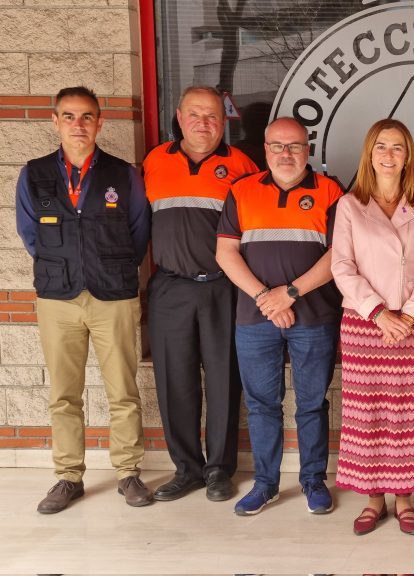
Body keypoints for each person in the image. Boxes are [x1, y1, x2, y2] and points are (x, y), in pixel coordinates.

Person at [15, 86, 153, 513]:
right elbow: (31, 234)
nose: (79, 124)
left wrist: (108, 265)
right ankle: (68, 477)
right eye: (70, 116)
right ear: (55, 121)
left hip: (113, 295)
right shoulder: (34, 173)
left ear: (99, 122)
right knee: (64, 394)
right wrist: (67, 264)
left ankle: (128, 473)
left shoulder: (122, 174)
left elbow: (139, 231)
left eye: (87, 116)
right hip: (58, 298)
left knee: (123, 390)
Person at [216, 117, 343, 516]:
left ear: (308, 150)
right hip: (255, 319)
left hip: (314, 317)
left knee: (312, 404)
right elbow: (225, 253)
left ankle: (313, 480)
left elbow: (339, 256)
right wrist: (265, 299)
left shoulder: (330, 191)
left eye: (295, 146)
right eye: (277, 145)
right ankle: (266, 484)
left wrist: (288, 295)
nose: (286, 154)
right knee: (261, 405)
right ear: (265, 148)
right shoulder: (241, 191)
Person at [144, 85, 258, 503]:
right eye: (194, 114)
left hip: (223, 288)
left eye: (212, 115)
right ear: (179, 116)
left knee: (225, 379)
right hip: (170, 286)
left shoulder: (242, 165)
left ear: (223, 121)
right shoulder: (155, 161)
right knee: (175, 380)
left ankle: (219, 470)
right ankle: (186, 469)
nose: (203, 123)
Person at [331, 119, 414, 536]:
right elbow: (342, 266)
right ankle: (372, 498)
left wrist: (409, 316)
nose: (389, 154)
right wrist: (379, 314)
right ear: (370, 153)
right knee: (367, 417)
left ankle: (405, 498)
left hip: (412, 326)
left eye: (398, 147)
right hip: (365, 324)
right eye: (381, 146)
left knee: (405, 416)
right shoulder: (350, 205)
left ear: (408, 156)